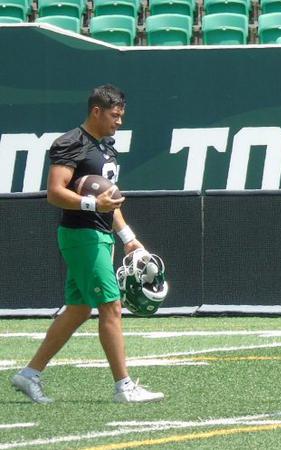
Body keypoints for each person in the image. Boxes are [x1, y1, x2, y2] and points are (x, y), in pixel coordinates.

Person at [10, 84, 164, 404]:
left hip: (100, 235)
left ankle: (29, 374)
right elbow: (55, 192)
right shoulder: (71, 142)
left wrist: (128, 237)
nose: (119, 121)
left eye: (121, 115)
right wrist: (93, 205)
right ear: (96, 111)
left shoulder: (107, 148)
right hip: (82, 235)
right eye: (114, 115)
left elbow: (111, 201)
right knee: (111, 305)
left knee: (79, 309)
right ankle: (124, 387)